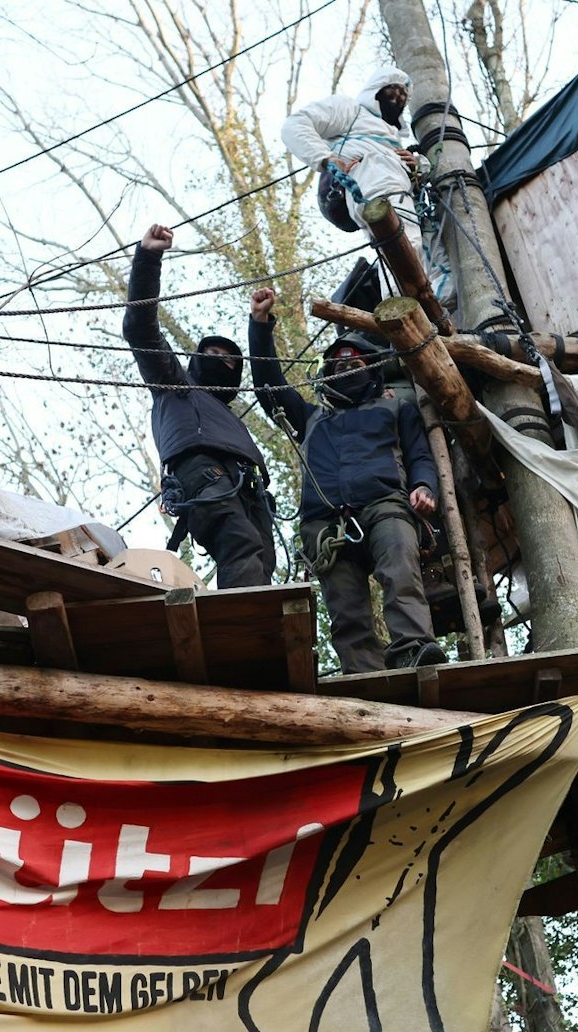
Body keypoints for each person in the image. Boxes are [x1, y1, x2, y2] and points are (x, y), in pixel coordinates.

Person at [247, 285, 447, 673]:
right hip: (325, 523)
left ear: (371, 367)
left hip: (385, 506)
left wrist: (425, 487)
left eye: (355, 361)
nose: (345, 364)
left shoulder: (395, 408)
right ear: (327, 375)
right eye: (337, 362)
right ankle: (363, 673)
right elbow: (268, 386)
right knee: (345, 606)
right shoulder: (311, 418)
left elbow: (420, 455)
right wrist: (260, 325)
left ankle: (412, 647)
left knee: (401, 572)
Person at [122, 223, 276, 589]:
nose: (220, 359)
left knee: (261, 558)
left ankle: (259, 629)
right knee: (239, 540)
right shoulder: (174, 383)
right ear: (195, 359)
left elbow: (272, 383)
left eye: (228, 358)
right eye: (212, 353)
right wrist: (148, 257)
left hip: (246, 483)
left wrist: (260, 324)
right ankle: (244, 623)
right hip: (201, 470)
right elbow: (141, 329)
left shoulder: (226, 414)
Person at [280, 67, 451, 306]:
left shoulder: (392, 137)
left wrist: (417, 164)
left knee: (430, 258)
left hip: (400, 191)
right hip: (374, 182)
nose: (399, 97)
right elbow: (295, 125)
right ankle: (402, 308)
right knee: (402, 245)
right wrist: (325, 158)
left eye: (404, 94)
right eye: (393, 89)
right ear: (376, 90)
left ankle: (433, 310)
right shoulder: (349, 110)